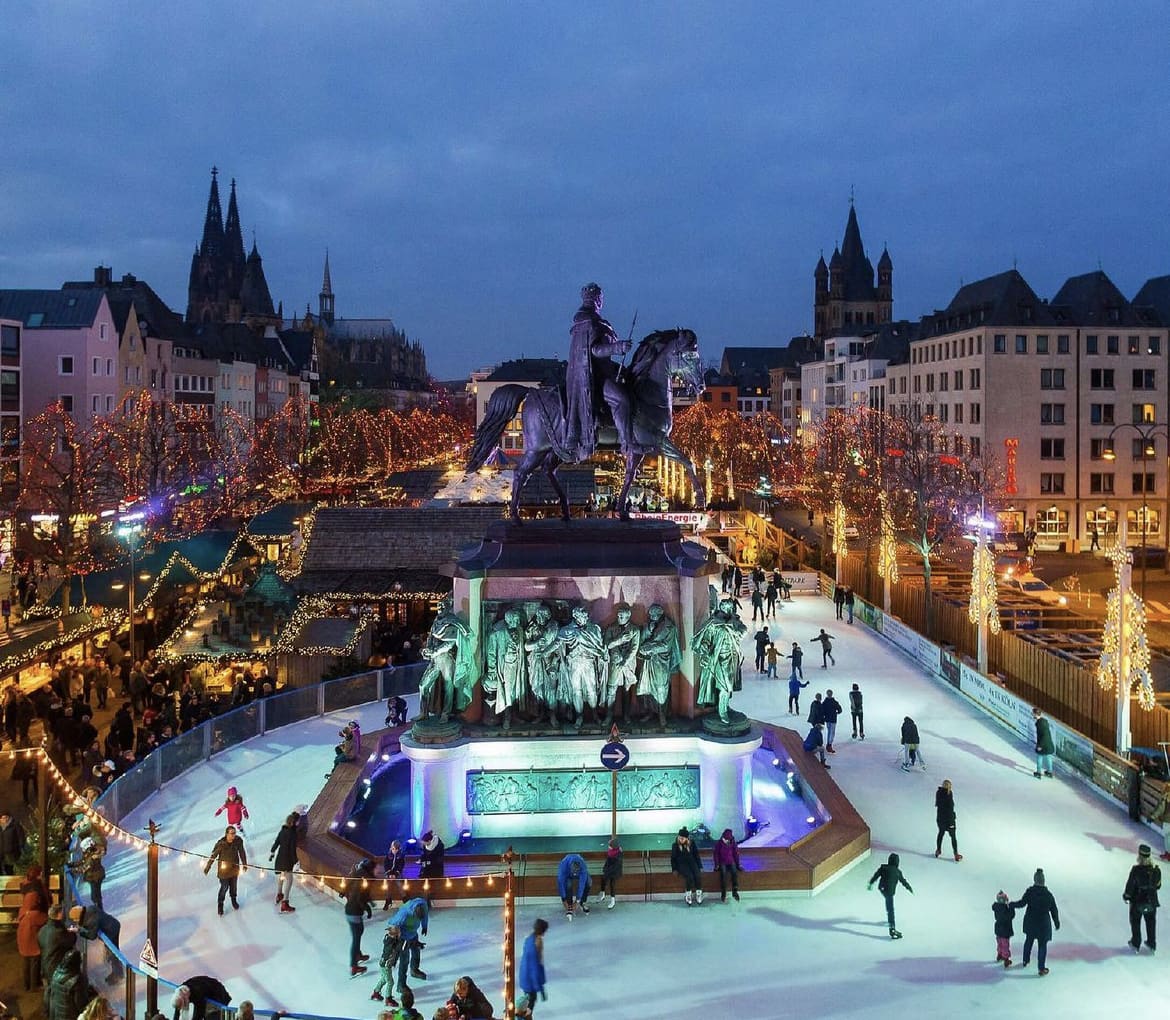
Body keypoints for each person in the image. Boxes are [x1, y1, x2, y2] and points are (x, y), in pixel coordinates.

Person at [564, 282, 633, 459]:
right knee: (622, 400)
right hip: (595, 376)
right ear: (596, 299)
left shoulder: (592, 321)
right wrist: (617, 347)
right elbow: (594, 351)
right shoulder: (587, 321)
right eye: (599, 298)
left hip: (603, 370)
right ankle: (627, 444)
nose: (599, 302)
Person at [1011, 868, 1060, 974]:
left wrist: (1012, 904)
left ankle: (1025, 960)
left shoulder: (1030, 892)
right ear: (1043, 881)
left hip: (1031, 922)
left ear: (1035, 880)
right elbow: (1054, 910)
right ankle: (1041, 968)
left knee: (1029, 940)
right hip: (1043, 924)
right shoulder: (1048, 895)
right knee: (1042, 945)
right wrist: (1056, 922)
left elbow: (1022, 903)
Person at [1123, 842, 1161, 953]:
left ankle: (1136, 943)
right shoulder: (1156, 870)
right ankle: (1151, 943)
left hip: (1138, 901)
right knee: (1151, 922)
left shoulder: (1136, 870)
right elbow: (1158, 886)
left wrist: (1126, 896)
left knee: (1135, 921)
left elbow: (1130, 885)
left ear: (1139, 856)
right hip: (1152, 902)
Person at [388, 897, 430, 996]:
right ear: (414, 913)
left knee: (416, 952)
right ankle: (401, 985)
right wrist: (396, 941)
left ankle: (414, 970)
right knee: (404, 960)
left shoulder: (423, 905)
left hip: (413, 934)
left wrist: (424, 926)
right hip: (403, 938)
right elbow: (392, 925)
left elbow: (425, 916)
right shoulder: (404, 914)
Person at [202, 825, 247, 915]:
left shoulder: (238, 841)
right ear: (227, 834)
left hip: (234, 869)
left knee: (233, 887)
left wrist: (244, 863)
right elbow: (213, 856)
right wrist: (208, 867)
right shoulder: (221, 844)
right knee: (224, 887)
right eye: (232, 833)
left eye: (234, 833)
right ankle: (220, 904)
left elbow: (242, 852)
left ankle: (233, 900)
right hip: (224, 871)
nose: (234, 835)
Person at [868, 852, 913, 939]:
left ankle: (890, 922)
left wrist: (870, 883)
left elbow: (876, 876)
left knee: (889, 905)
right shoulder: (898, 872)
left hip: (882, 889)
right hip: (889, 891)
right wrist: (909, 888)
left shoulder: (883, 868)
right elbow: (904, 882)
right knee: (890, 909)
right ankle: (892, 928)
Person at [342, 858, 375, 976]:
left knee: (359, 932)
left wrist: (370, 903)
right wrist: (368, 908)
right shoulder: (363, 881)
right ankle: (353, 966)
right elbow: (360, 898)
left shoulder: (358, 877)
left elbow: (359, 894)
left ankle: (358, 954)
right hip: (354, 912)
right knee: (356, 938)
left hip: (351, 911)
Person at [44, 949, 94, 1020]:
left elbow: (49, 993)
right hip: (70, 1016)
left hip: (55, 1014)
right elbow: (81, 1004)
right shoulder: (77, 980)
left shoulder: (56, 973)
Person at [17, 881, 48, 989]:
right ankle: (34, 985)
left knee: (26, 962)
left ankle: (26, 985)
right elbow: (45, 919)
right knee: (35, 962)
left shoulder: (22, 911)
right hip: (32, 942)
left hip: (22, 940)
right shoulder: (36, 914)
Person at [38, 904, 76, 987]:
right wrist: (72, 933)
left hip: (45, 966)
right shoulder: (58, 932)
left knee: (49, 990)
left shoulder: (43, 929)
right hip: (55, 968)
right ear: (59, 915)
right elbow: (70, 941)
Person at [269, 812, 300, 913]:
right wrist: (296, 861)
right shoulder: (293, 834)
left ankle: (279, 894)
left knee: (281, 877)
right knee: (289, 880)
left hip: (280, 857)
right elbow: (292, 849)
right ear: (294, 823)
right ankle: (285, 903)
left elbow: (277, 842)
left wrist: (272, 852)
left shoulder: (282, 831)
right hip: (287, 860)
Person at [517, 917, 548, 1018]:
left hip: (525, 976)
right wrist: (540, 988)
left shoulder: (530, 939)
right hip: (530, 980)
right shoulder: (536, 944)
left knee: (529, 1003)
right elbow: (534, 968)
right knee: (529, 1005)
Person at [370, 922, 402, 1005]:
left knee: (384, 979)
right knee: (390, 982)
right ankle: (388, 998)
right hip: (386, 965)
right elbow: (397, 950)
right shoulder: (391, 944)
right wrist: (399, 942)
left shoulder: (389, 940)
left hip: (383, 963)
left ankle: (376, 993)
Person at [671, 827, 704, 905]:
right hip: (682, 864)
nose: (681, 840)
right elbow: (673, 858)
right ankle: (688, 894)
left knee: (697, 875)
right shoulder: (675, 845)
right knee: (690, 877)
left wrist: (700, 866)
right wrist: (674, 869)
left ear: (687, 838)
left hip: (692, 862)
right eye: (680, 838)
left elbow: (696, 855)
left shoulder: (691, 843)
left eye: (683, 838)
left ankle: (698, 893)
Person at [557, 853, 591, 919]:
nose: (574, 874)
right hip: (568, 874)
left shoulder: (583, 866)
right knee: (568, 885)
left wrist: (578, 900)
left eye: (576, 872)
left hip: (580, 873)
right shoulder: (563, 866)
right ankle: (569, 905)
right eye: (573, 872)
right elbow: (560, 883)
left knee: (589, 882)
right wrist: (563, 900)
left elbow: (582, 884)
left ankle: (582, 902)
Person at [934, 779, 962, 861]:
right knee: (953, 837)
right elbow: (949, 810)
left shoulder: (938, 793)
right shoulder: (949, 794)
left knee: (940, 834)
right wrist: (951, 822)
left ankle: (938, 850)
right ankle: (956, 854)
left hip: (940, 819)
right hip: (949, 820)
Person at [713, 828, 742, 902]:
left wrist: (738, 864)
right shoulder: (719, 843)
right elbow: (716, 854)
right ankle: (723, 892)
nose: (727, 840)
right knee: (723, 874)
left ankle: (735, 891)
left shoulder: (733, 842)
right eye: (726, 839)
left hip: (731, 861)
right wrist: (717, 865)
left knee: (734, 872)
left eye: (729, 839)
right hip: (722, 862)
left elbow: (736, 854)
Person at [993, 890, 1016, 967]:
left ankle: (999, 954)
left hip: (998, 929)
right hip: (1005, 929)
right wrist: (1011, 908)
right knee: (1005, 944)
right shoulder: (1005, 909)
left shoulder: (996, 908)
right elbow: (1010, 916)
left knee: (999, 943)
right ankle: (1006, 959)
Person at [382, 839, 407, 909]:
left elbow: (401, 866)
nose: (394, 850)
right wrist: (389, 873)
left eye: (396, 849)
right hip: (389, 873)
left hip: (397, 873)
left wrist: (395, 874)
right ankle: (388, 900)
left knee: (399, 884)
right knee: (388, 885)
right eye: (393, 849)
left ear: (398, 849)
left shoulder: (401, 856)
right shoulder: (388, 855)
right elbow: (386, 865)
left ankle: (405, 899)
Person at [1033, 707, 1055, 778]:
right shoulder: (1044, 721)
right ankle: (1050, 772)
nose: (1032, 715)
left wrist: (1040, 746)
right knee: (1049, 757)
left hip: (1043, 744)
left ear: (1035, 714)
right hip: (1049, 744)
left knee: (1039, 757)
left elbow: (1043, 736)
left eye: (1033, 713)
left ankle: (1038, 773)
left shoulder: (1039, 724)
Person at [600, 838, 622, 908]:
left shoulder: (618, 855)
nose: (608, 847)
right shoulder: (611, 851)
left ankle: (613, 901)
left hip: (615, 871)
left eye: (610, 846)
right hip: (609, 869)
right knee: (603, 879)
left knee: (612, 884)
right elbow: (608, 861)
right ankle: (603, 894)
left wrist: (607, 872)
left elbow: (616, 866)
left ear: (613, 847)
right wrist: (605, 868)